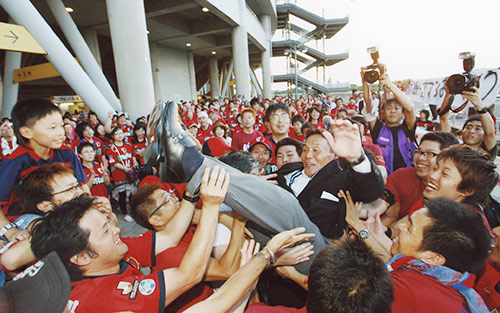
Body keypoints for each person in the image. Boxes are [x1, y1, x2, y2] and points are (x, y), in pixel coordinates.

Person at [30, 167, 230, 313]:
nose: (81, 191)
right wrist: (212, 207)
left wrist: (189, 197)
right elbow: (190, 275)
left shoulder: (114, 250)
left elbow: (169, 236)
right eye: (69, 189)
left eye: (77, 184)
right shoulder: (96, 296)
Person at [345, 194, 492, 313]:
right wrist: (360, 228)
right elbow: (394, 260)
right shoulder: (458, 286)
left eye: (410, 228)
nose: (401, 227)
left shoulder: (400, 289)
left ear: (433, 258)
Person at [0, 99, 87, 242]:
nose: (61, 132)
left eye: (61, 126)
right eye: (52, 128)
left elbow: (83, 187)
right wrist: (9, 231)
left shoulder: (67, 154)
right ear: (27, 132)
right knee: (48, 232)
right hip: (23, 219)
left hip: (63, 212)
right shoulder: (14, 162)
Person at [382, 132, 459, 226]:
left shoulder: (452, 192)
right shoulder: (401, 176)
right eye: (418, 152)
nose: (421, 158)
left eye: (430, 154)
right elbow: (390, 216)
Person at [361, 68, 417, 175]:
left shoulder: (407, 128)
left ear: (402, 112)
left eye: (396, 108)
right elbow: (368, 104)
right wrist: (365, 80)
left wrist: (390, 85)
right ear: (383, 112)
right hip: (386, 179)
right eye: (388, 108)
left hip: (408, 177)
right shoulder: (378, 129)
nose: (392, 111)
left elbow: (410, 108)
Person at [440, 86, 497, 160]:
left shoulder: (486, 153)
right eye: (468, 127)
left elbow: (490, 133)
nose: (471, 131)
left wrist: (479, 106)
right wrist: (449, 93)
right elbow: (443, 118)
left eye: (478, 129)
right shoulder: (452, 147)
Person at [105, 126, 138, 222]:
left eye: (121, 133)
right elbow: (114, 162)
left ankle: (133, 211)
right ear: (113, 136)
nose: (120, 135)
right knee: (122, 194)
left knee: (133, 193)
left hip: (131, 173)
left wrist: (134, 162)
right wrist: (125, 168)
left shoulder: (128, 145)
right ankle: (125, 213)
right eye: (117, 134)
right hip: (120, 175)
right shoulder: (112, 148)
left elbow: (133, 156)